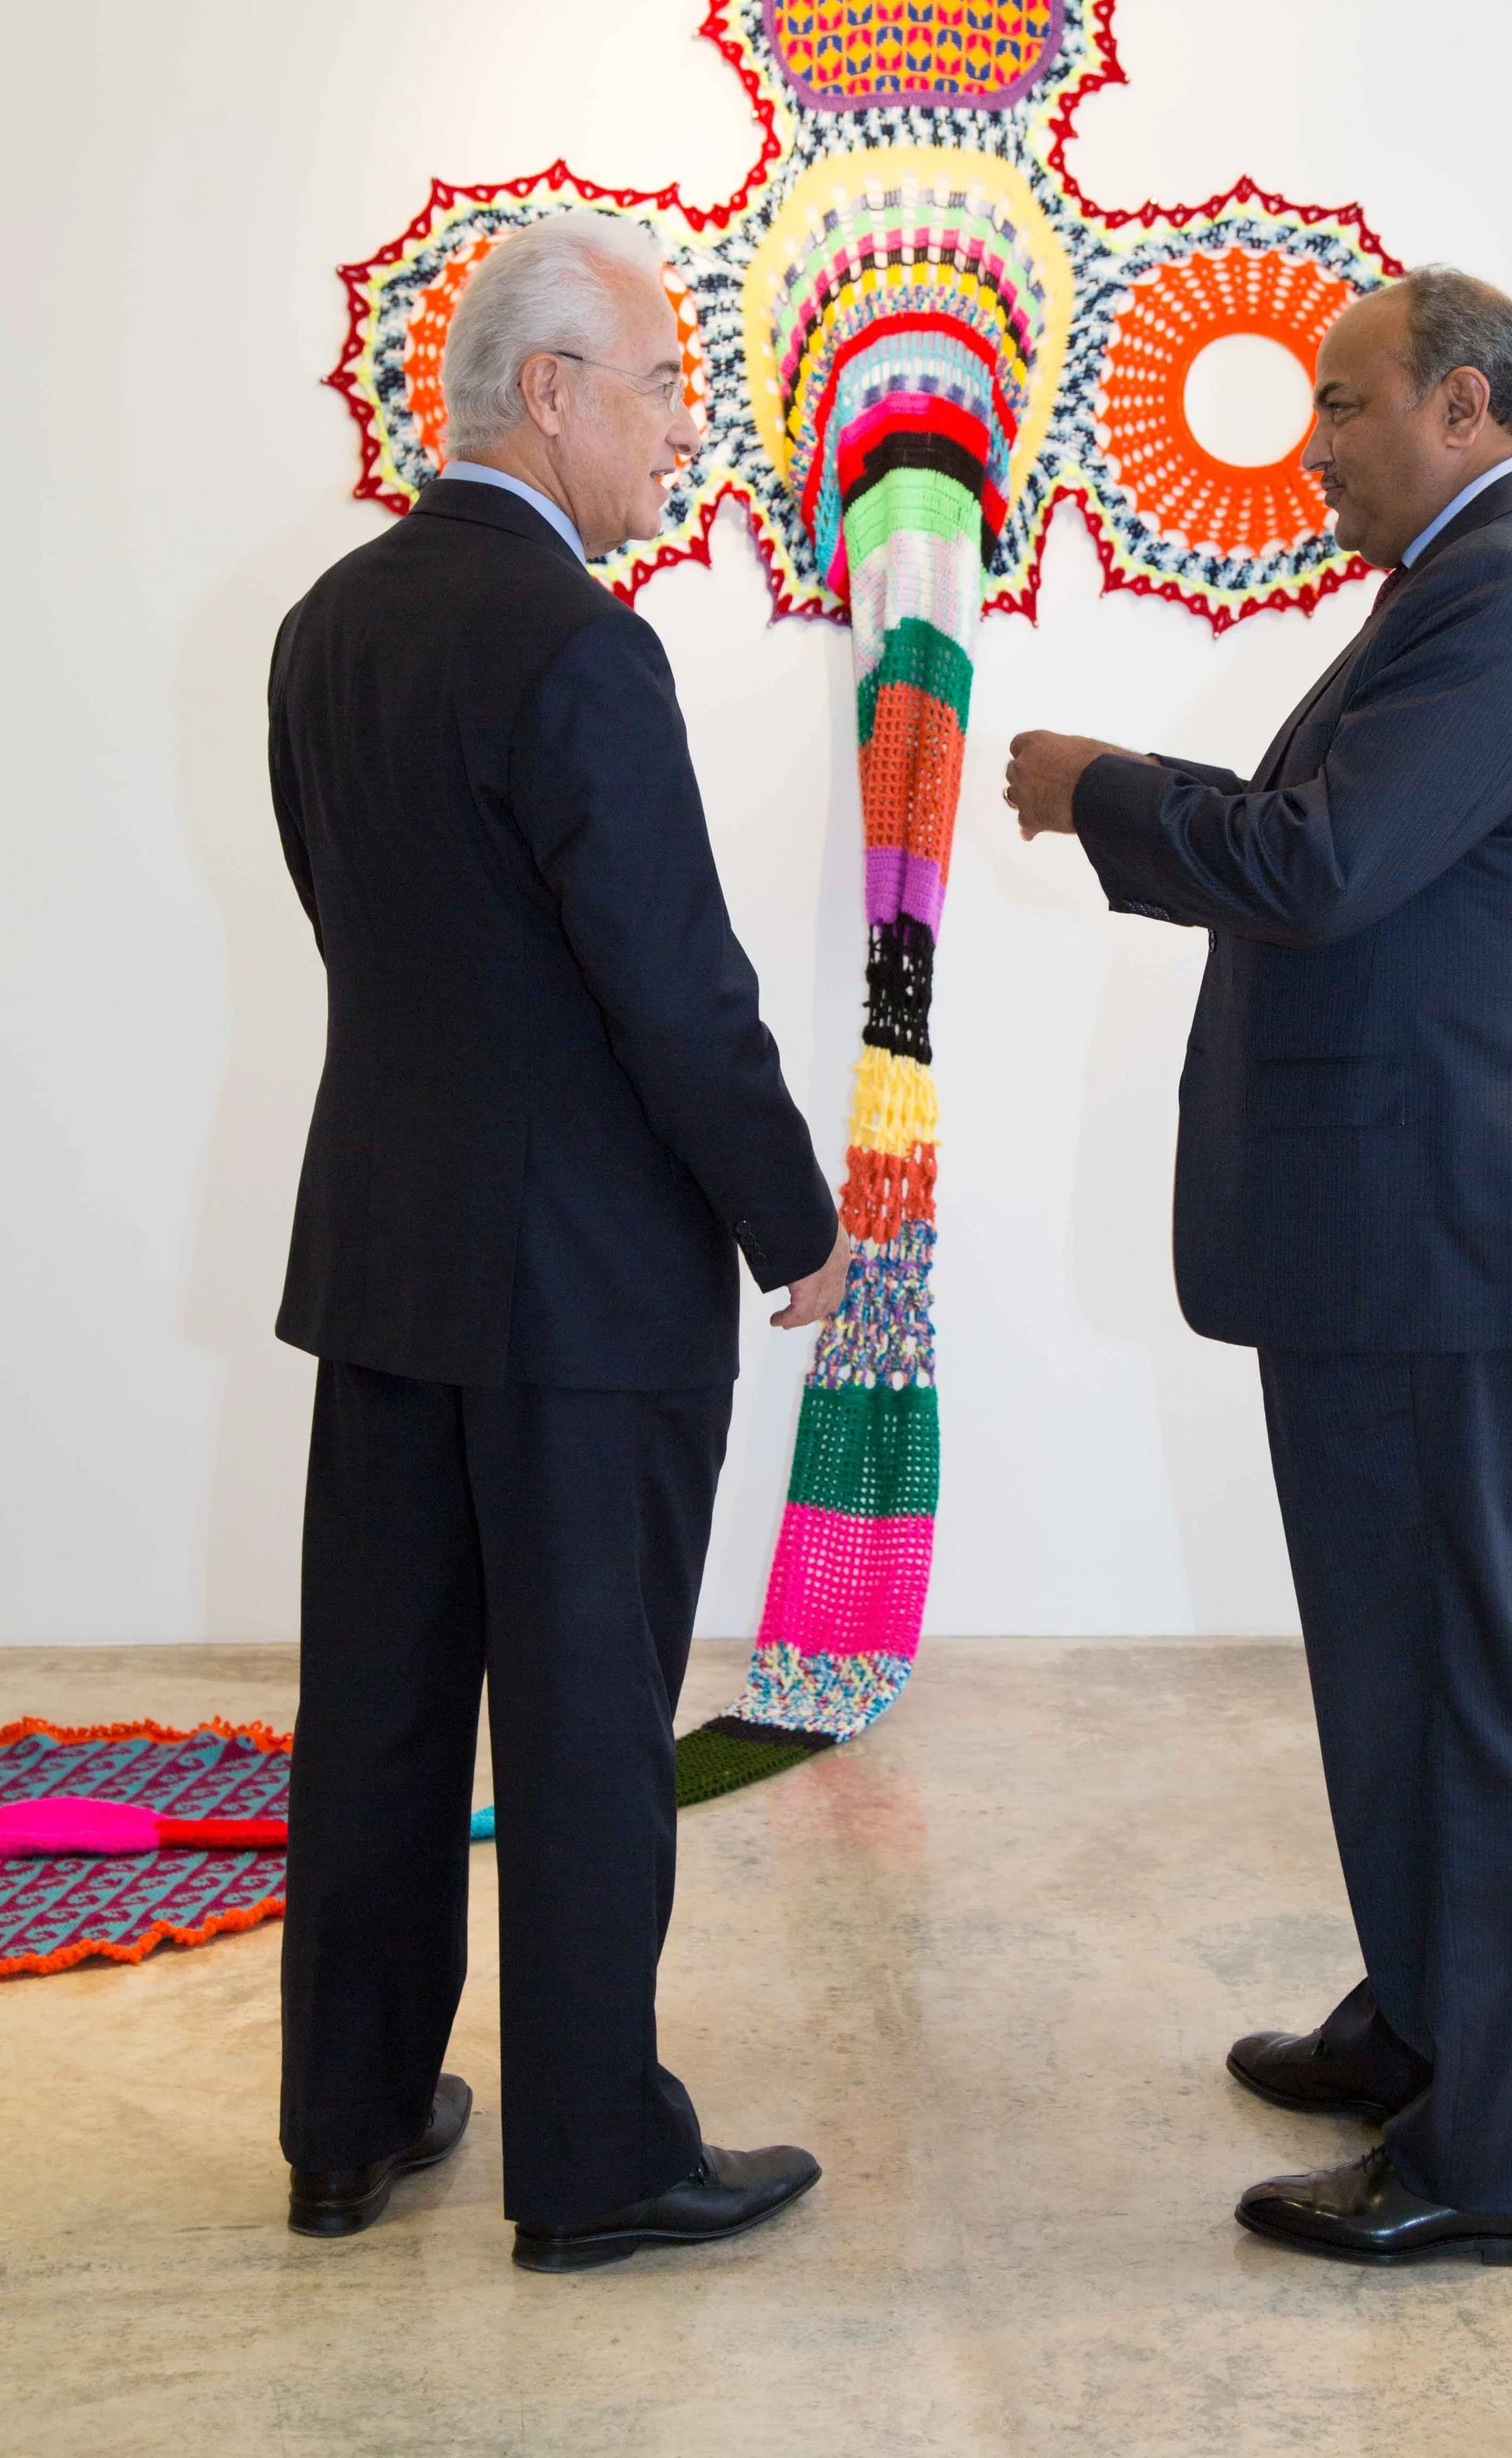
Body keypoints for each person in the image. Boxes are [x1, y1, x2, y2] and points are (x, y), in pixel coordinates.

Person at [1004, 268, 1512, 2267]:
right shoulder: (1481, 585)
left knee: (1460, 1691)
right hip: (1410, 1234)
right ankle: (1422, 2027)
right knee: (1394, 1669)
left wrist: (1097, 790)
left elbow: (1315, 864)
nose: (1313, 444)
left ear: (1461, 405)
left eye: (1343, 402)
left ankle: (1493, 2166)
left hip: (1448, 1243)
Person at [269, 209, 850, 2273]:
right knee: (592, 1724)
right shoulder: (576, 644)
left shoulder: (329, 619)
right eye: (665, 386)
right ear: (550, 392)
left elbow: (369, 932)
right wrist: (797, 1214)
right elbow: (669, 985)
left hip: (383, 1258)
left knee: (386, 1704)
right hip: (584, 1291)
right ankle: (595, 2156)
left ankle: (344, 2125)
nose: (684, 433)